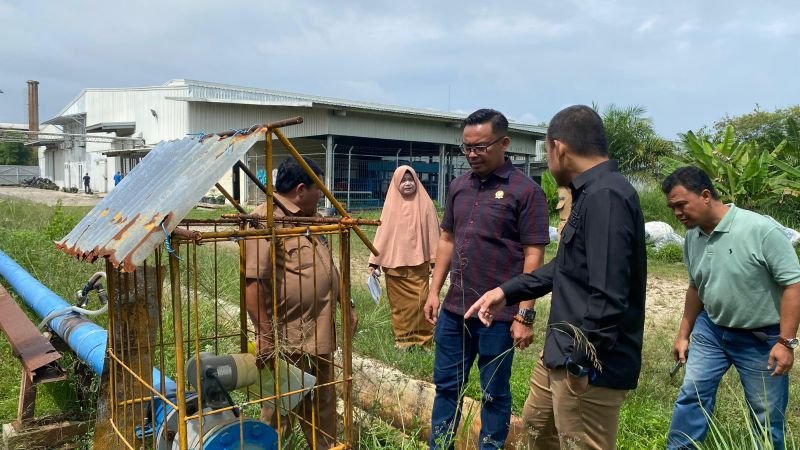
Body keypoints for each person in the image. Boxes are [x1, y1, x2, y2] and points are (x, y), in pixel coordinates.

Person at [466, 105, 647, 449]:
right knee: (536, 433)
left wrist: (581, 365)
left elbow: (609, 294)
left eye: (546, 151)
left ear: (558, 147)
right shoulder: (589, 193)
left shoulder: (607, 196)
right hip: (559, 352)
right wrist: (505, 292)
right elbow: (565, 267)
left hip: (585, 364)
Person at [423, 108, 550, 449]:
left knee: (494, 392)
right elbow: (447, 239)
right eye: (466, 147)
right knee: (447, 386)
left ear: (504, 143)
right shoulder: (458, 186)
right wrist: (434, 291)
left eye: (480, 147)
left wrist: (524, 314)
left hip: (498, 315)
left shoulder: (525, 192)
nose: (472, 154)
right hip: (454, 310)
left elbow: (534, 256)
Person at [662, 166, 800, 450]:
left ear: (705, 195)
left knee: (766, 415)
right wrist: (683, 335)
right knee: (692, 395)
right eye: (672, 207)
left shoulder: (760, 230)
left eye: (681, 204)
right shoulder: (693, 237)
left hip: (761, 338)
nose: (677, 213)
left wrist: (785, 342)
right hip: (711, 331)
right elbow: (695, 287)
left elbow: (793, 285)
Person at [244, 156, 357, 449]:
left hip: (320, 333)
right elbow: (253, 283)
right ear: (301, 189)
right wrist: (264, 334)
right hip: (288, 338)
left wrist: (347, 305)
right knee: (281, 409)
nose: (322, 194)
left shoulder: (312, 218)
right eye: (318, 188)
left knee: (323, 404)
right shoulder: (265, 219)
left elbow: (329, 268)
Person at [368, 165, 440, 349]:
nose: (408, 183)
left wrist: (435, 262)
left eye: (410, 180)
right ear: (395, 183)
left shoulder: (426, 204)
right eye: (403, 180)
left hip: (419, 267)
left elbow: (433, 233)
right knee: (399, 307)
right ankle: (403, 340)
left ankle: (424, 340)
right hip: (395, 268)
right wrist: (374, 262)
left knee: (422, 302)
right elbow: (382, 236)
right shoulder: (390, 206)